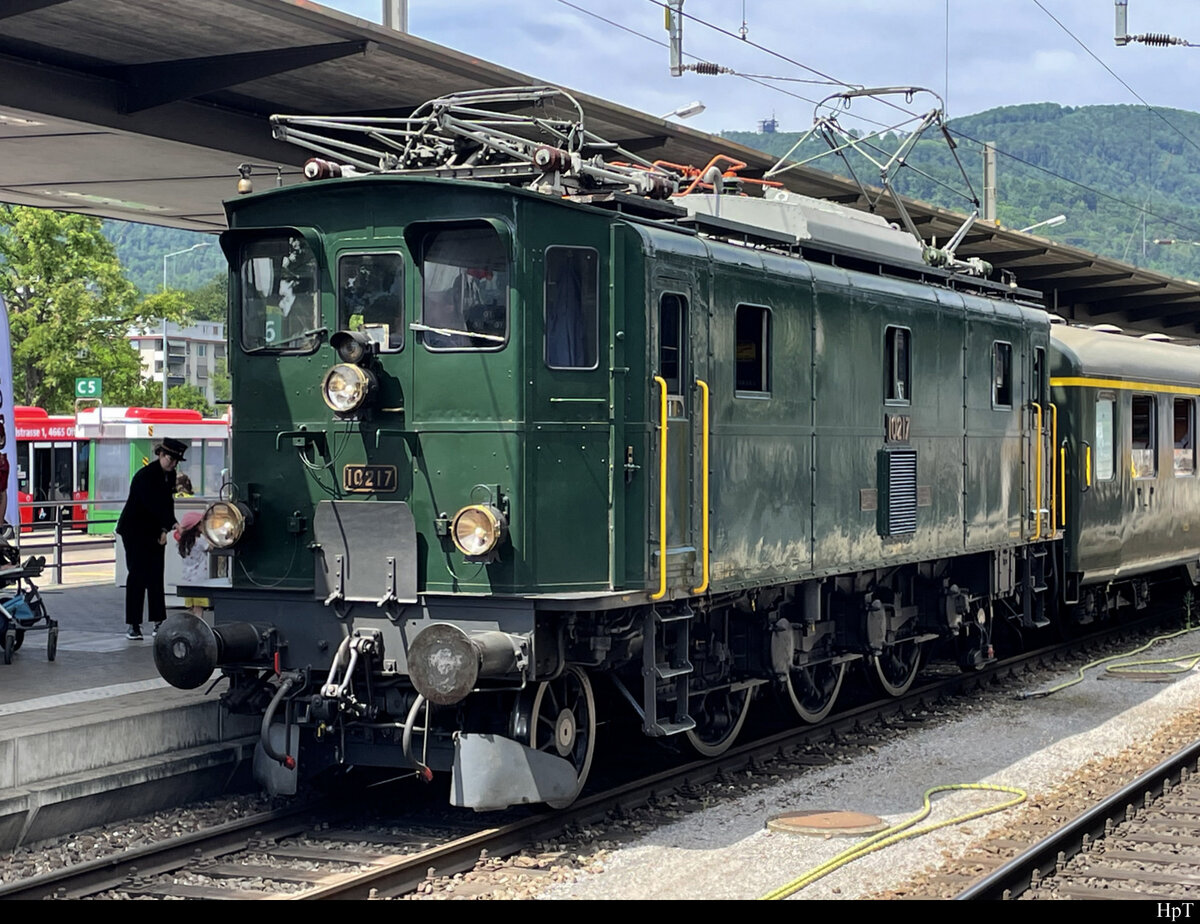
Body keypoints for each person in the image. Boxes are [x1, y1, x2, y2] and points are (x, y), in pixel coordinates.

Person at [116, 437, 185, 640]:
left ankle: (158, 621)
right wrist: (172, 524)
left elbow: (167, 503)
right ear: (161, 455)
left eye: (176, 461)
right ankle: (133, 624)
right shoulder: (145, 476)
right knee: (137, 575)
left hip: (154, 530)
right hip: (135, 530)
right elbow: (152, 504)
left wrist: (165, 528)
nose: (173, 464)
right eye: (170, 459)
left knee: (156, 575)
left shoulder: (169, 475)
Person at [174, 510, 211, 617]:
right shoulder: (200, 541)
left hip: (187, 579)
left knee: (192, 607)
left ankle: (191, 623)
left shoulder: (183, 542)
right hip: (199, 580)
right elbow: (210, 547)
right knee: (199, 608)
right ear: (196, 526)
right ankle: (198, 624)